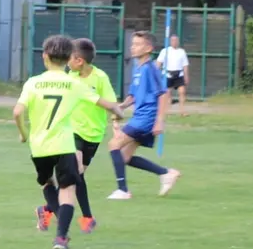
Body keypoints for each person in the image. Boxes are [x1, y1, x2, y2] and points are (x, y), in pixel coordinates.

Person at [14, 34, 84, 249]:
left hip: (39, 146)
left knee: (47, 184)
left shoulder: (33, 82)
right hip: (63, 145)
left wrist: (24, 134)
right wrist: (117, 111)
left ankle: (53, 219)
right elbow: (101, 102)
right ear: (69, 58)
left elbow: (17, 112)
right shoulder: (74, 82)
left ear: (44, 56)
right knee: (68, 190)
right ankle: (60, 238)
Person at [107, 31, 181, 200]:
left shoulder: (150, 69)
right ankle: (166, 173)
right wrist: (121, 106)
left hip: (146, 118)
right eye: (132, 44)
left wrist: (159, 122)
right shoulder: (138, 68)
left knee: (113, 144)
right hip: (139, 117)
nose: (133, 47)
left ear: (148, 48)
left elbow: (163, 95)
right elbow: (133, 95)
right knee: (124, 157)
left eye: (138, 44)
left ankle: (123, 190)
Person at [59, 39, 123, 234]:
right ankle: (86, 218)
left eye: (69, 58)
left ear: (79, 61)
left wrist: (115, 124)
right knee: (75, 171)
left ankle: (47, 209)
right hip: (73, 130)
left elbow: (112, 102)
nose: (66, 62)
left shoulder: (100, 78)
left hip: (94, 135)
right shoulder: (69, 76)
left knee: (76, 176)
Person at [156, 35, 190, 116]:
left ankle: (182, 111)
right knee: (167, 93)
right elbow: (158, 63)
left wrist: (186, 76)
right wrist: (156, 73)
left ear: (178, 41)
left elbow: (185, 65)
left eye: (176, 40)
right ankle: (167, 111)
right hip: (168, 74)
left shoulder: (182, 52)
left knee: (182, 91)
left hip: (179, 74)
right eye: (172, 40)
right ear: (170, 41)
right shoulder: (165, 51)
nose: (174, 42)